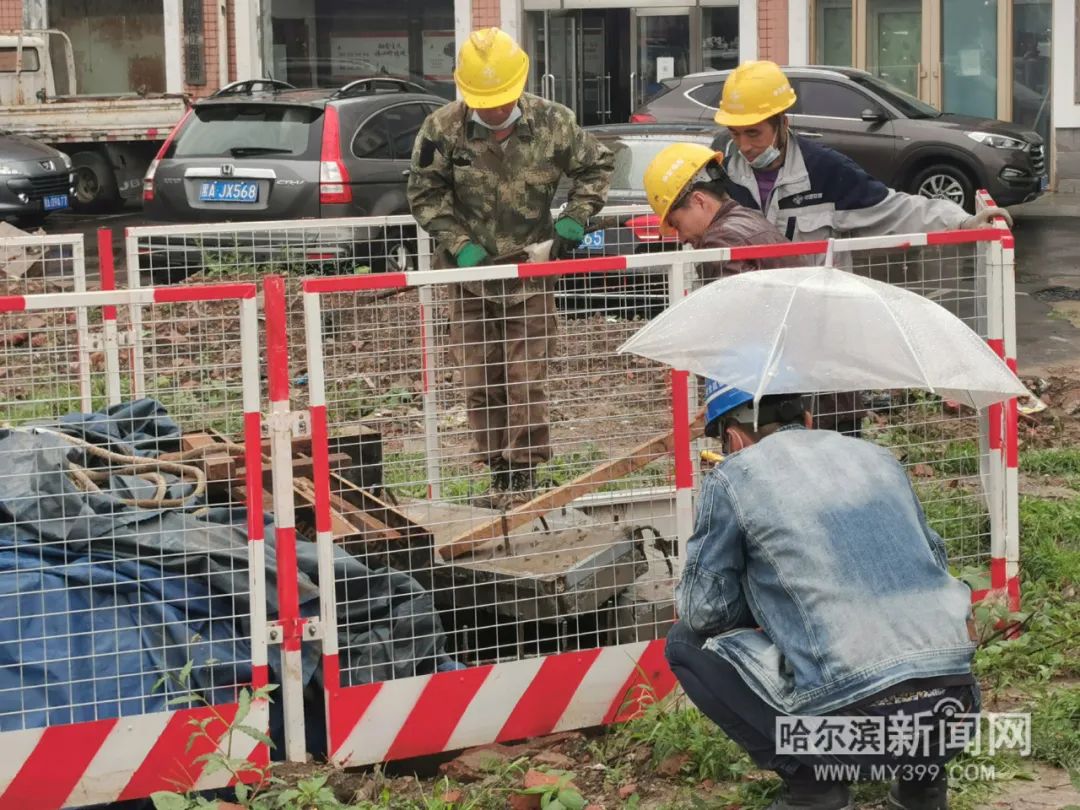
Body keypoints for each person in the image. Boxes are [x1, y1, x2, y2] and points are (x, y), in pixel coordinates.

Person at [666, 386, 980, 810]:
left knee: (686, 643)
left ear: (735, 438)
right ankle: (922, 788)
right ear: (809, 418)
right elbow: (936, 562)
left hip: (855, 727)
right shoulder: (879, 460)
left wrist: (763, 601)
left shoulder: (734, 477)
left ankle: (814, 788)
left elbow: (705, 612)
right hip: (953, 712)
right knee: (915, 648)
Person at [407, 28, 614, 505]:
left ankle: (524, 478)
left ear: (518, 88)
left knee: (524, 376)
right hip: (470, 276)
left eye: (501, 102)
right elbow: (424, 192)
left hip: (530, 271)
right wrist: (459, 244)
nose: (494, 112)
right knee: (481, 379)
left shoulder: (553, 123)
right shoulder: (443, 129)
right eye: (484, 103)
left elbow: (597, 166)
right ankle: (496, 472)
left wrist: (574, 220)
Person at [712, 60, 1012, 244]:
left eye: (754, 133)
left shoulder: (824, 170)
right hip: (750, 316)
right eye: (735, 133)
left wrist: (961, 220)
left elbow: (895, 209)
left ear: (782, 123)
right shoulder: (720, 173)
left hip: (817, 317)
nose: (745, 146)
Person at [642, 142, 797, 280]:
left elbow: (732, 308)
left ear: (699, 201)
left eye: (677, 225)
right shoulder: (747, 217)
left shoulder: (719, 242)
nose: (682, 238)